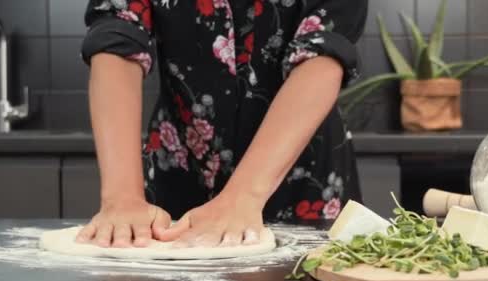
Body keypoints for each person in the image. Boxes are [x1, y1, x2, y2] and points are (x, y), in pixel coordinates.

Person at [75, 0, 368, 248]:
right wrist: (123, 197)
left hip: (304, 182)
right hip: (177, 177)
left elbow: (323, 52)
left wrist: (244, 197)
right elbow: (117, 34)